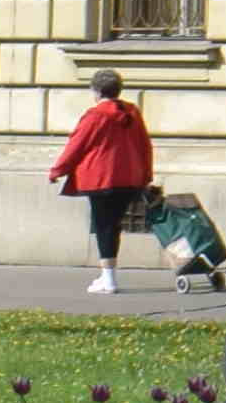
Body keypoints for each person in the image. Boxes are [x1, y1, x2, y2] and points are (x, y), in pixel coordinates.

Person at [46, 68, 157, 296]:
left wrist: (57, 170)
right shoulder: (132, 112)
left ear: (96, 91)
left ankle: (108, 279)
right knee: (112, 226)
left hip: (101, 179)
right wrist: (146, 174)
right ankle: (107, 275)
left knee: (104, 226)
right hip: (129, 178)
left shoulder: (95, 116)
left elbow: (77, 145)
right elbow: (145, 145)